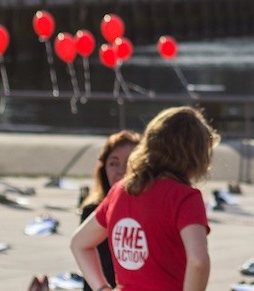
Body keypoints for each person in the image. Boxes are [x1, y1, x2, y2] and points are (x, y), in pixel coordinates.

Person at [71, 107, 219, 291]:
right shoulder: (185, 197)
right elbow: (198, 261)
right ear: (196, 155)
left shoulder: (119, 191)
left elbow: (79, 243)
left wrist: (101, 288)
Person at [78, 129, 141, 291]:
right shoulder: (93, 210)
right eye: (113, 163)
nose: (121, 170)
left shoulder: (149, 209)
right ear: (103, 168)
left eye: (129, 163)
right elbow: (82, 250)